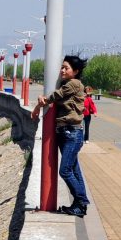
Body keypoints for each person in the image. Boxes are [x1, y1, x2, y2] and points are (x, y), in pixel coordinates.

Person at [31, 55, 89, 217]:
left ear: (76, 71)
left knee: (65, 171)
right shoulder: (68, 84)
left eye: (66, 68)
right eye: (62, 67)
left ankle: (82, 201)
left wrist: (40, 103)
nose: (62, 70)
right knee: (74, 170)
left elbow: (54, 96)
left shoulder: (74, 84)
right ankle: (79, 206)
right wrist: (40, 105)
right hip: (66, 132)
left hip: (72, 133)